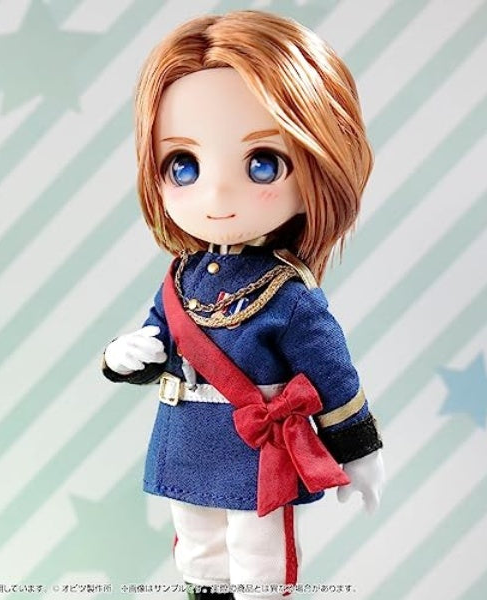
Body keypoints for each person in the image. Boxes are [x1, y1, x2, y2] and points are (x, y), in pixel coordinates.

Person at [102, 11, 385, 600]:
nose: (218, 193)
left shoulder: (289, 293)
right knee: (198, 549)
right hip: (186, 437)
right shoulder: (182, 276)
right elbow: (162, 337)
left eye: (263, 164)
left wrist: (358, 450)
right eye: (183, 166)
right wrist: (126, 355)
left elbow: (333, 376)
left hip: (257, 451)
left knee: (258, 555)